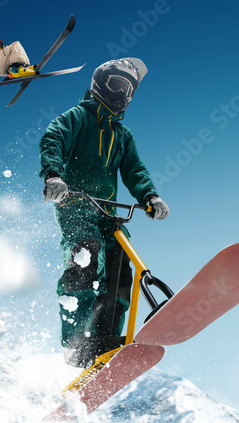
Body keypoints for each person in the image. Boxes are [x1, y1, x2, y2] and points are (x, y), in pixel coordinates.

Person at [39, 58, 169, 368]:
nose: (122, 95)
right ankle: (77, 342)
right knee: (86, 258)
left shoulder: (123, 135)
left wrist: (149, 196)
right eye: (117, 85)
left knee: (120, 269)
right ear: (100, 84)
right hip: (76, 204)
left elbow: (135, 169)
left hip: (109, 212)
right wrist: (53, 176)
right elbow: (52, 139)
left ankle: (105, 338)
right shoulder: (77, 118)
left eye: (128, 90)